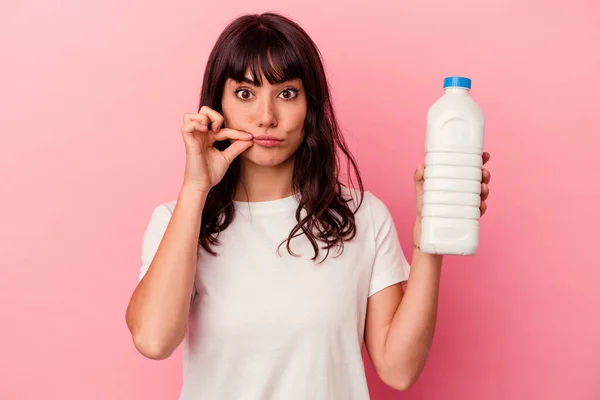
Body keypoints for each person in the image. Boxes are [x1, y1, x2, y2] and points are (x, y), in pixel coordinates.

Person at [125, 12, 491, 400]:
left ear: (310, 106)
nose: (266, 117)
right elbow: (152, 339)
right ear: (217, 104)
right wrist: (196, 188)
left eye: (286, 93)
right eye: (245, 93)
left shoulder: (362, 216)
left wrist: (428, 239)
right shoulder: (179, 219)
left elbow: (399, 370)